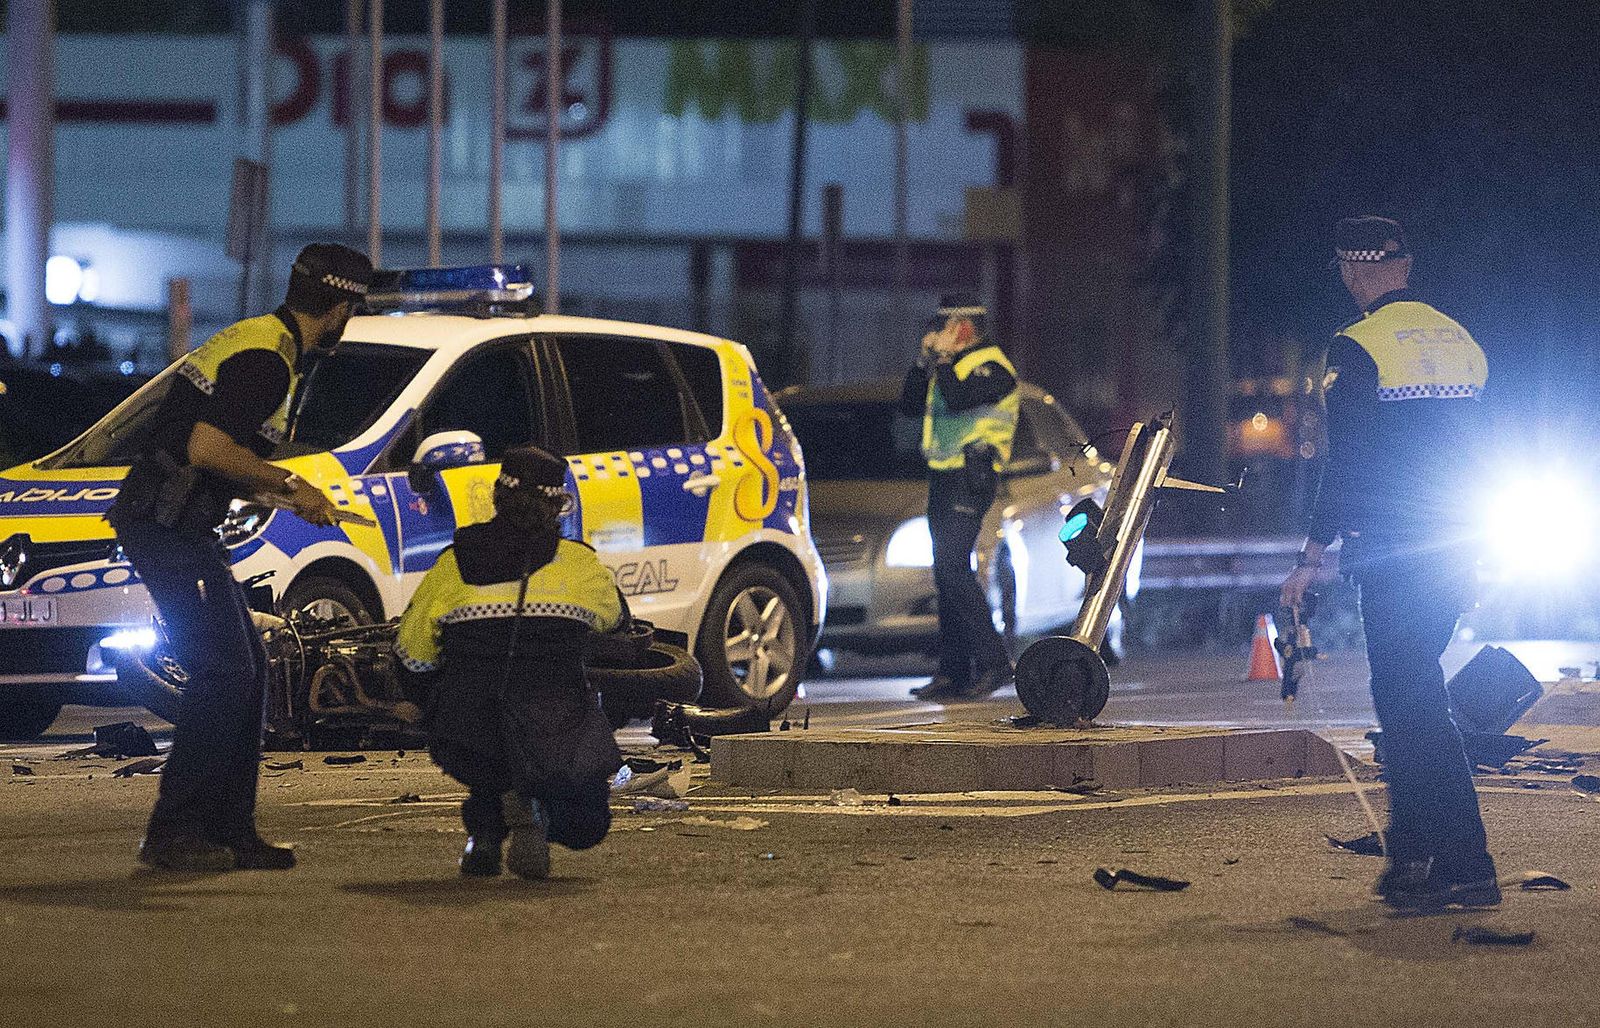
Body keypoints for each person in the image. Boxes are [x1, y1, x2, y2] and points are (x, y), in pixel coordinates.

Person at [109, 243, 372, 872]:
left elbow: (211, 449)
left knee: (248, 665)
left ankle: (231, 829)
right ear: (340, 309)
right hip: (166, 527)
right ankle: (174, 832)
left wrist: (289, 498)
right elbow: (204, 445)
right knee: (225, 669)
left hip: (180, 526)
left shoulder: (259, 340)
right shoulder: (268, 361)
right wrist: (286, 485)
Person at [1281, 215, 1497, 910]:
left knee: (1410, 700)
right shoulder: (1461, 341)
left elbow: (1345, 466)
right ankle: (1415, 856)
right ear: (1405, 265)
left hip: (1398, 551)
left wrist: (1311, 557)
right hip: (1458, 543)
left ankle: (1464, 860)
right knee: (1410, 696)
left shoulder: (1357, 346)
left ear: (1352, 271)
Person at [395, 445, 624, 879]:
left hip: (469, 731)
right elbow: (615, 624)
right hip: (553, 726)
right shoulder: (580, 564)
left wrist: (429, 703)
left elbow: (413, 655)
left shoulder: (452, 562)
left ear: (498, 497)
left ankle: (485, 831)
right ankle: (533, 808)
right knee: (585, 823)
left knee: (484, 736)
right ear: (557, 506)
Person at [898, 296, 1020, 701]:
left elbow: (958, 399)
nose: (936, 331)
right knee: (945, 572)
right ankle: (953, 672)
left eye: (944, 323)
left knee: (953, 568)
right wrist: (922, 363)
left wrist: (945, 361)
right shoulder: (949, 365)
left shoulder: (994, 367)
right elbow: (910, 406)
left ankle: (994, 663)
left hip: (973, 476)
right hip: (944, 477)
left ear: (965, 326)